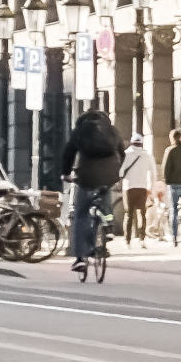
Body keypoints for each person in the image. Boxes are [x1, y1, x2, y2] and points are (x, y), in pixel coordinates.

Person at [58, 109, 123, 282]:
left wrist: (65, 173)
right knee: (104, 193)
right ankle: (108, 221)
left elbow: (68, 153)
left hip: (86, 176)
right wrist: (117, 172)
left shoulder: (80, 131)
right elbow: (121, 152)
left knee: (80, 214)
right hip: (109, 175)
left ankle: (80, 258)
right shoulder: (112, 130)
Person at [119, 131, 153, 242]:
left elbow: (120, 172)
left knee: (129, 214)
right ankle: (142, 239)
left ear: (131, 143)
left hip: (128, 187)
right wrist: (150, 188)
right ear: (142, 144)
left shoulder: (125, 155)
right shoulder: (147, 155)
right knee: (141, 214)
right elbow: (153, 173)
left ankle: (127, 240)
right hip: (142, 187)